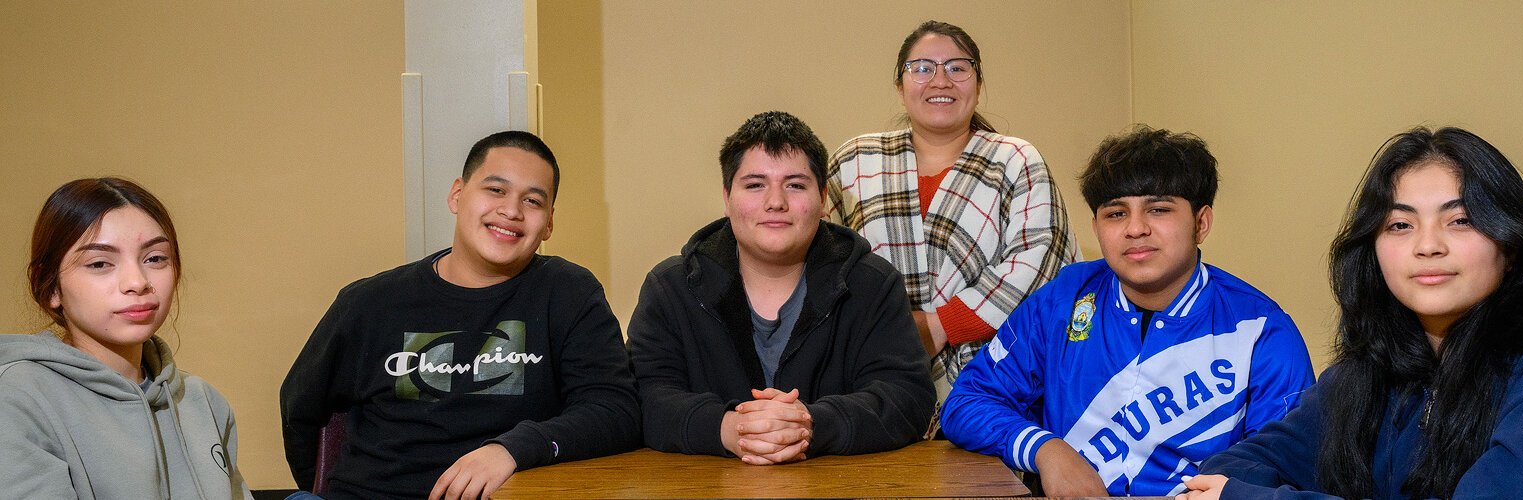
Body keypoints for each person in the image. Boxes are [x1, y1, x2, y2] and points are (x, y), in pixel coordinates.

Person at [1178, 127, 1523, 500]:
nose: (1428, 245)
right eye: (1400, 225)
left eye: (1461, 221)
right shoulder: (1366, 371)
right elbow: (1231, 470)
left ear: (1510, 245)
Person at [941, 126, 1315, 497]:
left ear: (1201, 223)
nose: (1136, 228)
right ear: (1096, 227)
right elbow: (966, 403)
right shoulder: (1063, 299)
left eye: (1158, 209)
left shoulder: (1263, 330)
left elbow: (1286, 465)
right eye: (1116, 214)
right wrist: (1045, 449)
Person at [281, 131, 640, 499]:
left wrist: (513, 449)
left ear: (549, 222)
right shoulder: (370, 303)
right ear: (457, 195)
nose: (511, 211)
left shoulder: (568, 293)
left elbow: (615, 411)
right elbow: (302, 413)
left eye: (532, 200)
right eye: (496, 190)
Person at [628, 111, 935, 465]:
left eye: (795, 184)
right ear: (727, 197)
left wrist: (810, 425)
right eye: (755, 184)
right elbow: (645, 396)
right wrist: (728, 428)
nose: (776, 202)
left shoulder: (873, 285)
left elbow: (908, 396)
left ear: (822, 199)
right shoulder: (669, 288)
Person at [826, 20, 1080, 420]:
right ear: (900, 85)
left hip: (994, 380)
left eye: (958, 68)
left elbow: (1040, 262)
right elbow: (824, 260)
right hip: (870, 377)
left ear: (978, 85)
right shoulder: (854, 161)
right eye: (922, 68)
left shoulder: (1015, 160)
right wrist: (886, 335)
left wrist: (940, 325)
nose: (940, 80)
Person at [0, 178, 252, 499]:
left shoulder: (203, 401)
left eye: (155, 259)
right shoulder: (17, 399)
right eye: (100, 263)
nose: (137, 282)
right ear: (49, 287)